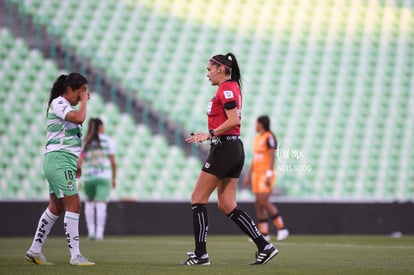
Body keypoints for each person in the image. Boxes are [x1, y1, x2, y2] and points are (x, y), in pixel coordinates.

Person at [182, 53, 278, 265]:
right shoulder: (231, 87)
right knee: (227, 205)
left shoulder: (226, 88)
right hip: (233, 148)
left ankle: (201, 255)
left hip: (225, 148)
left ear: (221, 69)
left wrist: (209, 134)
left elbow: (233, 119)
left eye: (209, 69)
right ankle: (264, 246)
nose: (207, 74)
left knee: (198, 199)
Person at [25, 73, 95, 266]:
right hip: (58, 160)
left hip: (63, 160)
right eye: (81, 91)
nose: (83, 95)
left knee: (56, 207)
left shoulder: (65, 105)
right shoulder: (60, 103)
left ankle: (34, 250)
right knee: (74, 205)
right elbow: (79, 119)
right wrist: (84, 103)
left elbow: (70, 138)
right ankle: (75, 256)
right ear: (69, 89)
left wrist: (76, 163)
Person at [243, 115, 289, 241]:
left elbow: (272, 156)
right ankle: (264, 234)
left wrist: (269, 174)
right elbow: (255, 158)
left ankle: (282, 228)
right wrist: (248, 175)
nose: (255, 126)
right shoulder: (257, 138)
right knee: (258, 203)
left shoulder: (269, 136)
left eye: (256, 123)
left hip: (265, 174)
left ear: (261, 124)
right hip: (256, 175)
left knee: (264, 201)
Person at [78, 118, 116, 241]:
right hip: (104, 176)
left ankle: (91, 232)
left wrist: (78, 178)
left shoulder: (86, 141)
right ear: (100, 127)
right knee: (101, 204)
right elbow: (113, 162)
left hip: (89, 177)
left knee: (89, 202)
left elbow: (80, 161)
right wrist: (114, 178)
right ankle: (100, 233)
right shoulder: (108, 141)